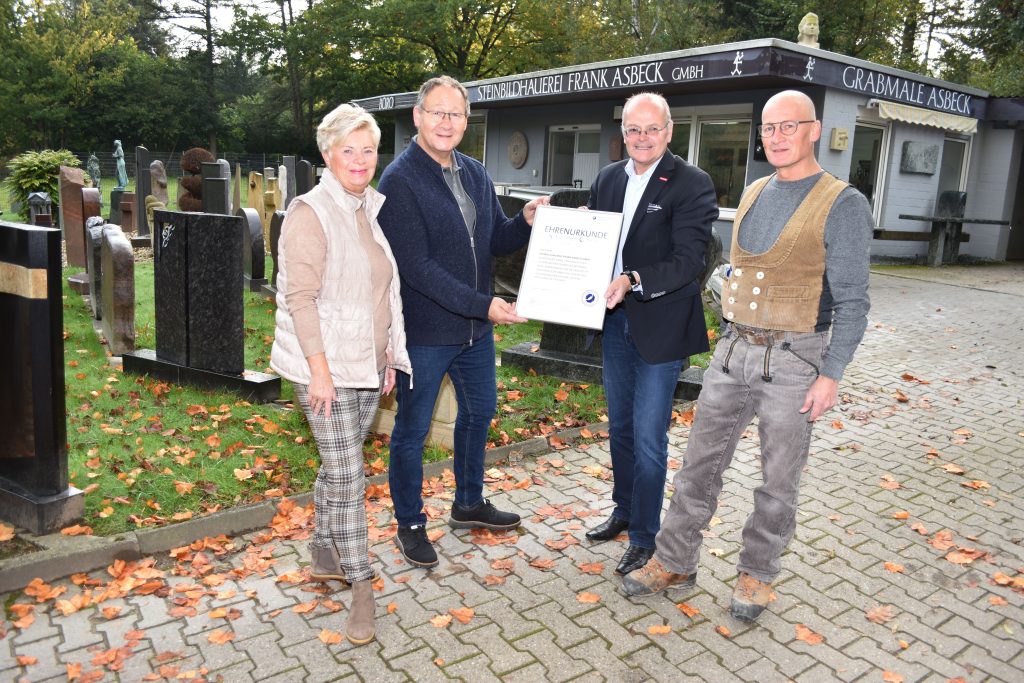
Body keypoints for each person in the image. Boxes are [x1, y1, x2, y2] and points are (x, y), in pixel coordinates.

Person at [621, 90, 873, 623]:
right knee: (698, 465)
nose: (777, 137)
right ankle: (675, 560)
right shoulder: (755, 191)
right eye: (769, 128)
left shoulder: (842, 203)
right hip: (734, 349)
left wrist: (831, 375)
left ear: (814, 130)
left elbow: (854, 300)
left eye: (788, 126)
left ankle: (757, 573)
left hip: (795, 358)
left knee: (778, 480)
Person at [377, 76, 548, 568]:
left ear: (467, 121)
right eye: (437, 112)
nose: (446, 122)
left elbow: (494, 240)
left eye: (455, 114)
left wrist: (526, 222)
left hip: (474, 331)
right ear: (418, 116)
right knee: (412, 430)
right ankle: (410, 523)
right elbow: (417, 267)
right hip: (426, 332)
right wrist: (483, 305)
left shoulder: (474, 172)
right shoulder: (399, 180)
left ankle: (468, 503)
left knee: (478, 413)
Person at [270, 103, 411, 645]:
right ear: (328, 155)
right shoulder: (310, 213)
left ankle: (324, 551)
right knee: (350, 475)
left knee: (338, 467)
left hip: (368, 366)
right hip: (324, 369)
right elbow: (299, 299)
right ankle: (361, 583)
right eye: (347, 150)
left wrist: (391, 354)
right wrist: (319, 372)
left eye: (367, 150)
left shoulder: (370, 207)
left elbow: (383, 291)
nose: (359, 159)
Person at [584, 92, 719, 576]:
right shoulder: (607, 179)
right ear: (623, 133)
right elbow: (592, 239)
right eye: (634, 129)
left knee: (647, 436)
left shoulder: (692, 183)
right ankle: (624, 510)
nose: (643, 138)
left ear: (669, 131)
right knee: (620, 427)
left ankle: (645, 536)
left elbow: (689, 260)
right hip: (614, 321)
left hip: (660, 324)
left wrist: (633, 279)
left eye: (652, 129)